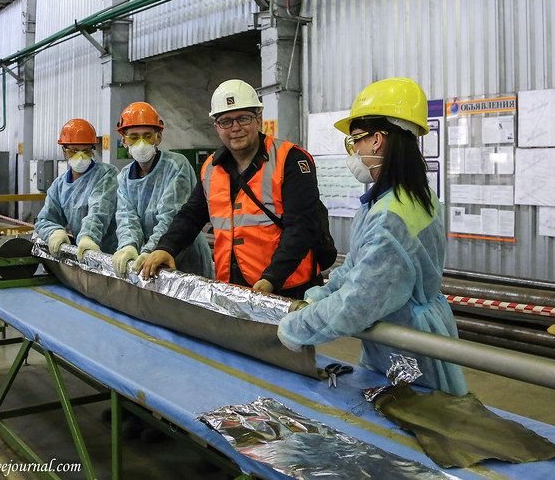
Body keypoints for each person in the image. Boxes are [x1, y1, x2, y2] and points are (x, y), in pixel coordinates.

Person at [277, 77, 468, 395]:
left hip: (407, 344)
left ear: (377, 140)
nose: (354, 151)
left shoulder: (391, 217)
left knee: (414, 410)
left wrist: (297, 328)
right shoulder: (406, 196)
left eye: (355, 141)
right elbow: (357, 265)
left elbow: (360, 301)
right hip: (396, 334)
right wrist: (319, 296)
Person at [139, 79, 323, 300]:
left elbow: (301, 226)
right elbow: (191, 215)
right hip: (232, 287)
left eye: (243, 118)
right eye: (225, 121)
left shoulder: (290, 160)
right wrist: (166, 247)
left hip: (287, 289)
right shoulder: (211, 167)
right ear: (216, 127)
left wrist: (272, 279)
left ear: (258, 119)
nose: (235, 128)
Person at [110, 101, 213, 278]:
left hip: (183, 253)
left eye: (147, 136)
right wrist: (129, 246)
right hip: (150, 258)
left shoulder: (176, 166)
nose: (141, 143)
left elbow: (171, 216)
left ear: (158, 138)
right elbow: (127, 217)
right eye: (134, 137)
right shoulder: (124, 176)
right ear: (124, 140)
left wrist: (151, 250)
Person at [34, 118, 118, 258]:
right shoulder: (59, 185)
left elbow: (99, 211)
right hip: (83, 253)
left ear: (92, 150)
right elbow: (45, 219)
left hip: (110, 254)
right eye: (74, 151)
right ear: (64, 151)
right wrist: (54, 232)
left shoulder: (106, 175)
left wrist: (88, 237)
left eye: (85, 151)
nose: (80, 157)